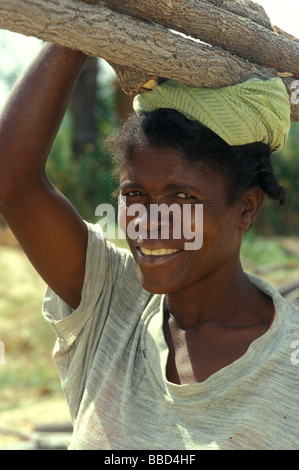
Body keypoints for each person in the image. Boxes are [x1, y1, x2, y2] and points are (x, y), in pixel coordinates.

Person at [0, 42, 298, 451]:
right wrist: (82, 28)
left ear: (246, 207)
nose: (150, 224)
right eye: (135, 193)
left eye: (181, 198)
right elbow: (13, 179)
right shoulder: (112, 303)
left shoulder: (289, 369)